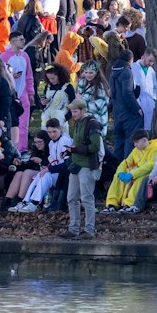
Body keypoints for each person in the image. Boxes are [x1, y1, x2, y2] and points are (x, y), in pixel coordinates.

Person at [63, 100, 103, 238]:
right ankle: (73, 228)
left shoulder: (92, 123)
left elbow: (95, 147)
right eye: (72, 111)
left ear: (83, 110)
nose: (73, 114)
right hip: (76, 164)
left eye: (75, 111)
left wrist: (76, 149)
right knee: (71, 197)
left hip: (87, 165)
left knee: (86, 197)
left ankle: (89, 229)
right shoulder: (77, 123)